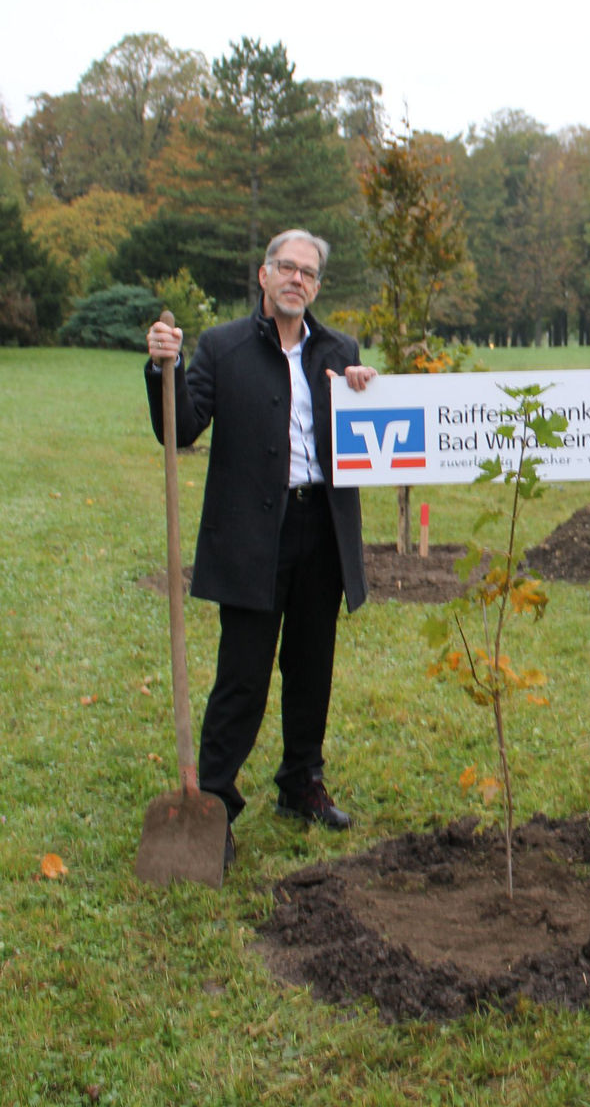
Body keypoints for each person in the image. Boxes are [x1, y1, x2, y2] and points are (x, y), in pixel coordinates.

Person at [145, 229, 377, 869]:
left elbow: (365, 433)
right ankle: (214, 802)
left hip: (321, 529)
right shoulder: (222, 347)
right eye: (287, 267)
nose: (297, 279)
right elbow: (181, 427)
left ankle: (301, 784)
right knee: (242, 677)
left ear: (317, 286)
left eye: (309, 272)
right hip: (252, 536)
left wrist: (365, 389)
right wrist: (162, 368)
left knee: (311, 667)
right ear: (264, 275)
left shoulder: (340, 350)